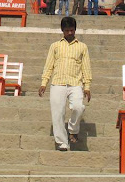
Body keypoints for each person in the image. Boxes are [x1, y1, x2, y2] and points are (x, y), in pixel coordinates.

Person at [39, 17, 92, 151]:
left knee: (78, 107)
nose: (69, 33)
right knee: (57, 113)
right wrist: (44, 82)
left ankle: (73, 129)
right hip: (58, 83)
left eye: (72, 30)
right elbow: (49, 65)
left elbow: (86, 67)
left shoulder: (82, 47)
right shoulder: (55, 46)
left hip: (75, 83)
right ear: (62, 30)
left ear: (75, 30)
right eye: (67, 30)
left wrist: (87, 86)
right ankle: (62, 142)